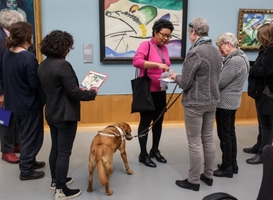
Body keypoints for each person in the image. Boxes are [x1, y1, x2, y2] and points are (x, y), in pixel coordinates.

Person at [38, 30, 97, 200]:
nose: (68, 50)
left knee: (55, 148)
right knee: (64, 152)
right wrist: (92, 93)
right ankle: (61, 190)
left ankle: (56, 181)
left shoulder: (43, 64)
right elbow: (74, 92)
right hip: (65, 115)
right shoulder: (63, 65)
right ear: (63, 47)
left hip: (51, 112)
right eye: (68, 47)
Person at [169, 18, 222, 191]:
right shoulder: (215, 50)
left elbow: (185, 82)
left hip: (196, 102)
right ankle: (208, 175)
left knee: (194, 142)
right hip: (212, 100)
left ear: (193, 32)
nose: (189, 36)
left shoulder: (196, 52)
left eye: (189, 32)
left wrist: (174, 75)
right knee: (208, 139)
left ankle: (193, 181)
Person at [2, 21, 45, 180]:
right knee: (31, 137)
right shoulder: (28, 57)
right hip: (29, 104)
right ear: (27, 36)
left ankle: (30, 161)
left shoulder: (8, 53)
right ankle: (26, 170)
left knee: (24, 135)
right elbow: (34, 84)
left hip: (14, 103)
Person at [132, 19, 173, 168]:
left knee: (158, 122)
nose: (166, 39)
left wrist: (169, 73)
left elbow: (165, 65)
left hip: (160, 90)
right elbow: (136, 62)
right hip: (147, 91)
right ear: (155, 32)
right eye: (163, 35)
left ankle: (154, 150)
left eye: (169, 36)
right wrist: (157, 64)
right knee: (145, 122)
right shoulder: (146, 45)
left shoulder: (164, 48)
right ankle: (143, 154)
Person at [213, 32, 250, 178]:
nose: (219, 50)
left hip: (225, 103)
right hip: (232, 102)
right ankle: (232, 164)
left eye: (220, 46)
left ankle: (227, 168)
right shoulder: (242, 57)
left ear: (228, 44)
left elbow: (220, 82)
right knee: (230, 134)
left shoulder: (234, 61)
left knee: (225, 136)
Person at [246, 23, 273, 165]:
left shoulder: (272, 50)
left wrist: (251, 70)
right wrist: (247, 63)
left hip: (267, 92)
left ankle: (263, 153)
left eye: (260, 36)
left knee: (267, 124)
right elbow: (259, 65)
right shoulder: (265, 49)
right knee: (261, 121)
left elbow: (267, 70)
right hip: (261, 92)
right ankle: (259, 145)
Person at [0, 10, 23, 164]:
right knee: (5, 119)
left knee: (14, 117)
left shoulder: (7, 36)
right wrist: (1, 93)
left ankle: (15, 144)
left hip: (12, 87)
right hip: (3, 89)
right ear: (13, 24)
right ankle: (6, 150)